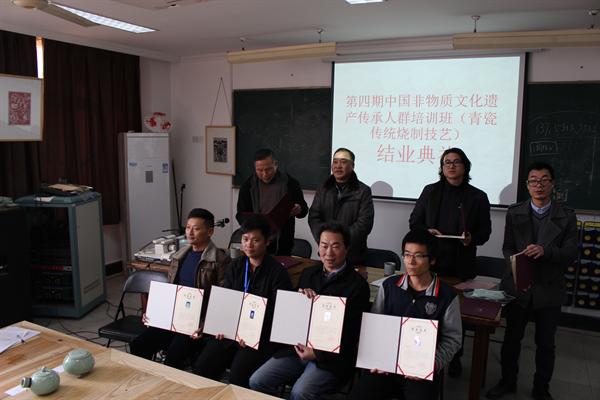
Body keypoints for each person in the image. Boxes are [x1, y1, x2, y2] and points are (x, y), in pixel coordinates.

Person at [486, 162, 578, 400]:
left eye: (544, 180)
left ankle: (541, 388)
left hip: (549, 287)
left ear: (552, 184)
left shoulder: (567, 216)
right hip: (519, 285)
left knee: (545, 343)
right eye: (534, 180)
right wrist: (516, 262)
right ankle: (508, 381)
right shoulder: (514, 212)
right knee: (511, 338)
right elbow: (507, 247)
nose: (539, 185)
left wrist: (546, 251)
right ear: (527, 185)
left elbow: (570, 254)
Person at [249, 222, 370, 400]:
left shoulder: (358, 286)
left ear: (346, 249)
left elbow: (352, 333)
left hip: (331, 358)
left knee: (300, 392)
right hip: (297, 349)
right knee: (257, 381)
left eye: (336, 246)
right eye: (324, 245)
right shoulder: (308, 274)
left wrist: (317, 353)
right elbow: (292, 317)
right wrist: (298, 299)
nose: (329, 253)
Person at [348, 229, 462, 400]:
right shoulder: (389, 286)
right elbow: (375, 327)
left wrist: (432, 364)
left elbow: (452, 339)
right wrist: (374, 357)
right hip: (386, 364)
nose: (411, 261)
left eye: (418, 256)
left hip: (421, 368)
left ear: (432, 260)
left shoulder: (447, 296)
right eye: (407, 255)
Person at [409, 147, 491, 376]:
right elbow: (414, 222)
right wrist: (427, 232)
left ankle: (454, 355)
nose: (451, 166)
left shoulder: (478, 196)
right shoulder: (430, 191)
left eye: (456, 162)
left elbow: (485, 233)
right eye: (447, 162)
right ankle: (423, 349)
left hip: (460, 265)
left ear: (465, 166)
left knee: (456, 315)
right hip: (431, 263)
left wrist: (471, 238)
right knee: (427, 309)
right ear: (442, 167)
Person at [191, 215, 293, 388]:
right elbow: (227, 301)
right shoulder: (236, 265)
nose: (249, 245)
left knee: (238, 376)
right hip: (231, 333)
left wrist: (250, 332)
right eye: (245, 239)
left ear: (267, 241)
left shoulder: (277, 272)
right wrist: (220, 326)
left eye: (256, 240)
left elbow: (278, 314)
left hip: (258, 338)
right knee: (203, 367)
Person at [130, 208, 230, 369]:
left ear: (210, 231)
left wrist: (206, 324)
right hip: (174, 317)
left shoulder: (219, 260)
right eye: (188, 227)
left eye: (196, 228)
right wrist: (155, 315)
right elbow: (171, 291)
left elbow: (224, 299)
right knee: (139, 344)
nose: (190, 232)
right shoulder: (179, 256)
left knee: (173, 357)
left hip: (197, 323)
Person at [308, 148, 374, 265]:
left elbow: (364, 224)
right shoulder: (323, 188)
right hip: (327, 254)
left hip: (353, 256)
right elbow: (314, 217)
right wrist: (325, 240)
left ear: (352, 166)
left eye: (343, 162)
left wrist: (341, 242)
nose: (338, 166)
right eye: (335, 162)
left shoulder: (363, 191)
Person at [236, 148, 308, 256]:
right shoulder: (248, 186)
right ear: (255, 168)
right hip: (257, 242)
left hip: (282, 243)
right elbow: (240, 215)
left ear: (276, 165)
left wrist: (299, 209)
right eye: (260, 170)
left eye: (268, 169)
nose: (265, 174)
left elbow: (304, 210)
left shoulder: (290, 184)